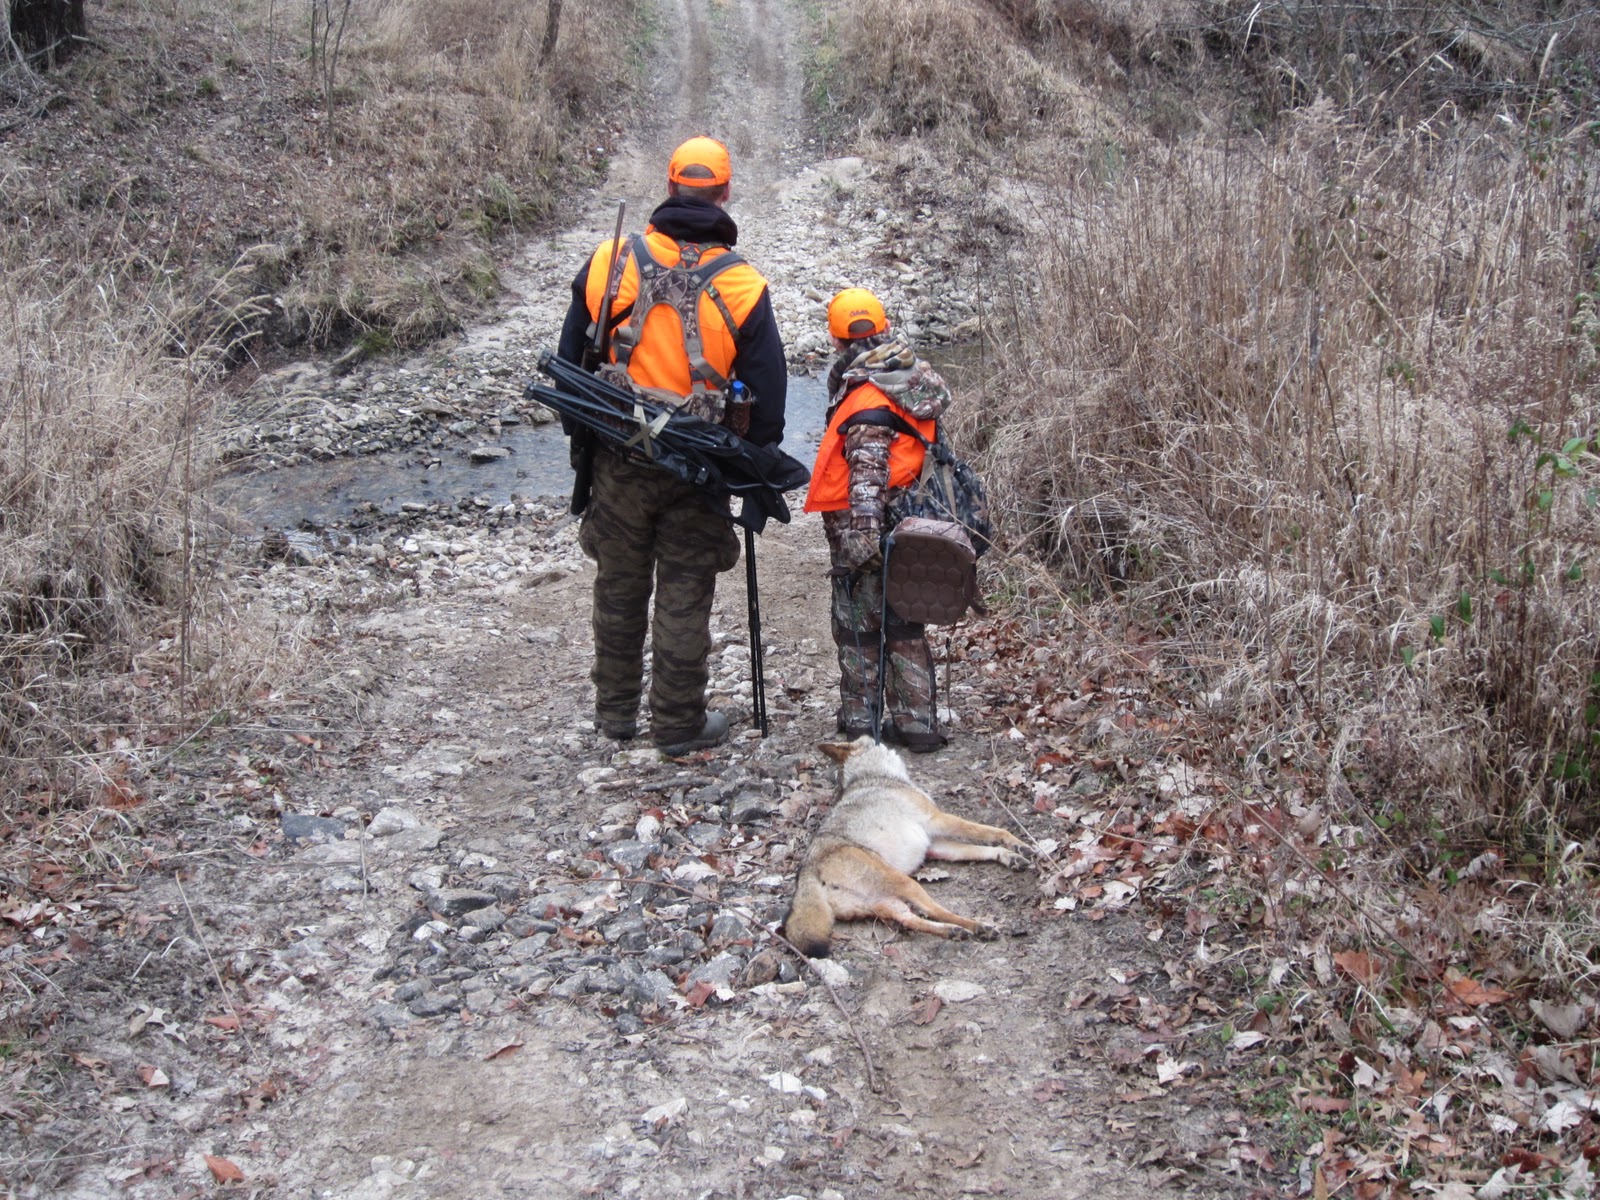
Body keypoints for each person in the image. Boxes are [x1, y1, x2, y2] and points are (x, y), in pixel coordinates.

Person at [556, 136, 787, 755]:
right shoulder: (743, 285)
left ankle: (615, 716)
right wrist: (745, 462)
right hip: (699, 466)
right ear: (726, 192)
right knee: (685, 589)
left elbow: (567, 365)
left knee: (619, 583)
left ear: (669, 184)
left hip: (617, 460)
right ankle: (678, 724)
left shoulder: (611, 260)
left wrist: (587, 441)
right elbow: (769, 403)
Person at [804, 288, 952, 752]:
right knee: (907, 621)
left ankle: (860, 725)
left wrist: (861, 540)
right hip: (913, 522)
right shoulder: (904, 377)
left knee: (857, 626)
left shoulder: (865, 395)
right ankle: (917, 726)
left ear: (834, 338)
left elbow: (868, 469)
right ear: (883, 328)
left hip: (869, 528)